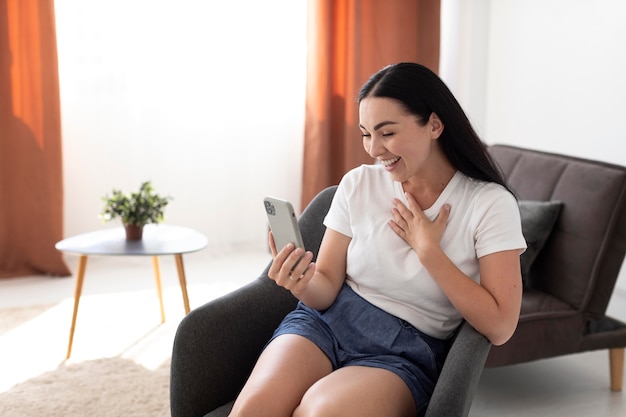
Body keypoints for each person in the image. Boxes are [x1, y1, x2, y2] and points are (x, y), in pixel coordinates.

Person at [228, 62, 526, 417]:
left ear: (434, 124)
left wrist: (429, 251)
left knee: (318, 412)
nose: (373, 149)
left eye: (387, 133)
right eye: (366, 134)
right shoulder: (358, 184)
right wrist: (300, 283)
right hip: (326, 322)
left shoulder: (489, 204)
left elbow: (501, 326)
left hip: (405, 350)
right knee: (252, 411)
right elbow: (324, 290)